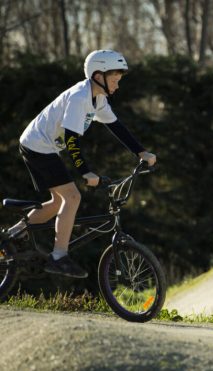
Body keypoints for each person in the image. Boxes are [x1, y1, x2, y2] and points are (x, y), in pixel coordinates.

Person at [5, 50, 156, 279]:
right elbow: (71, 139)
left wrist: (141, 152)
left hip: (43, 146)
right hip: (38, 146)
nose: (117, 85)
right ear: (98, 76)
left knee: (59, 202)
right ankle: (59, 256)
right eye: (114, 80)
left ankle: (14, 234)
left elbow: (116, 127)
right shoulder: (79, 98)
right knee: (73, 197)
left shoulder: (98, 99)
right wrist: (85, 172)